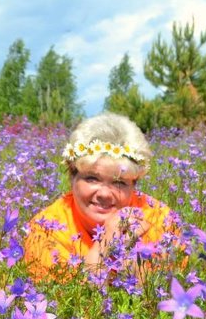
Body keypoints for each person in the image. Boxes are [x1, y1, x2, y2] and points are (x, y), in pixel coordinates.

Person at [24, 113, 178, 280]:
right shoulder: (45, 230)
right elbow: (70, 303)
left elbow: (162, 294)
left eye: (119, 182)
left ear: (134, 185)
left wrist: (131, 259)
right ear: (72, 177)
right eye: (92, 178)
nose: (104, 194)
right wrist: (106, 242)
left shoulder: (160, 219)